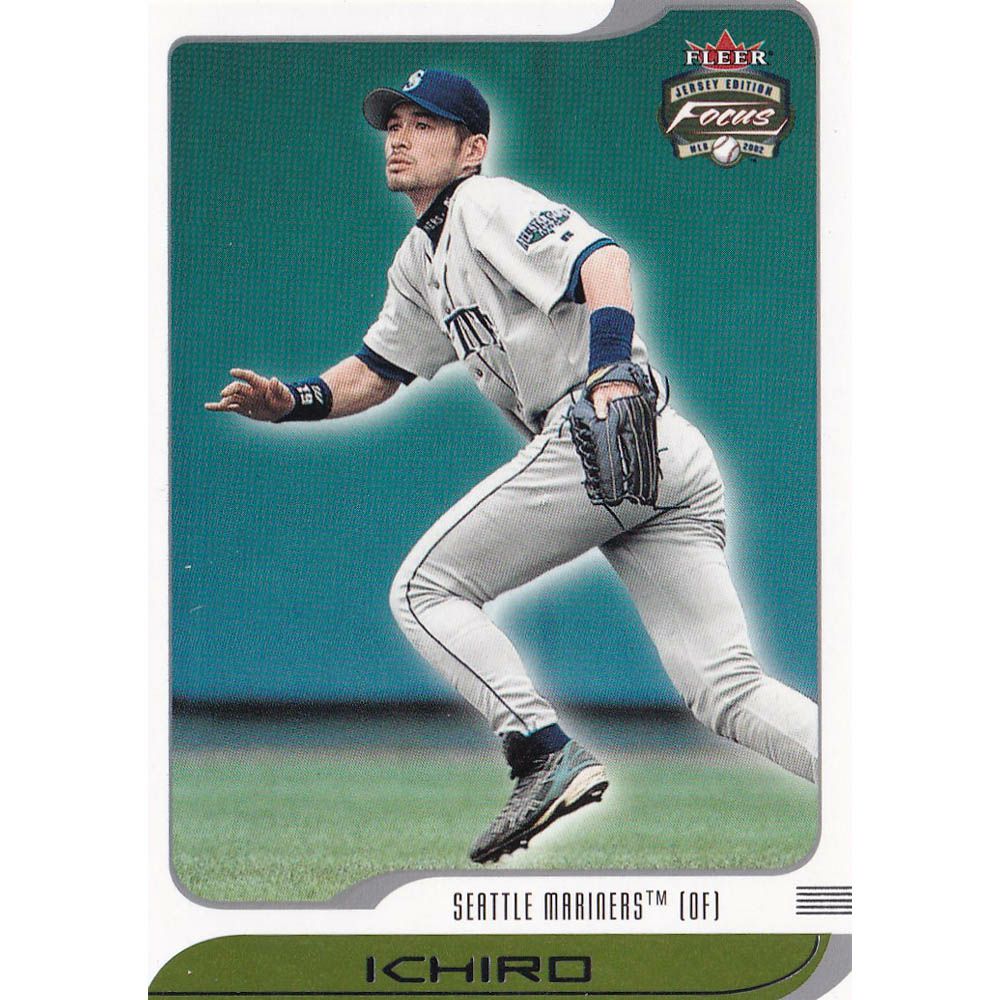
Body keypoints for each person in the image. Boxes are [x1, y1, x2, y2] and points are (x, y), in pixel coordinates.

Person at [206, 69, 818, 864]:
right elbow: (379, 369)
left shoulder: (484, 204)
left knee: (425, 590)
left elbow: (605, 261)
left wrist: (611, 369)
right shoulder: (419, 258)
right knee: (727, 689)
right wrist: (294, 400)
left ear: (472, 149)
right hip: (661, 454)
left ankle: (540, 752)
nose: (399, 137)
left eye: (425, 124)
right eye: (394, 123)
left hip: (605, 421)